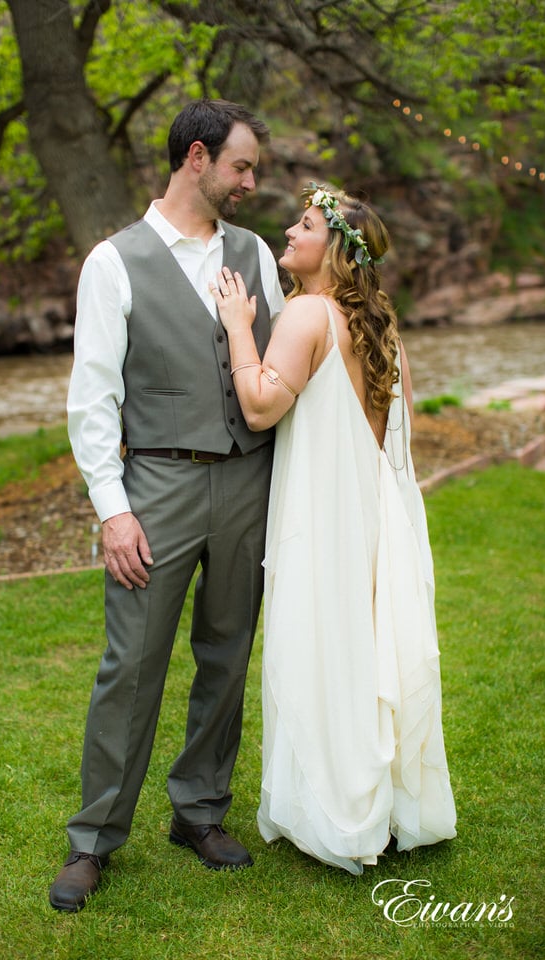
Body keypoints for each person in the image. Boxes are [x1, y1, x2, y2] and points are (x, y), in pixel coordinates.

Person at [49, 99, 286, 912]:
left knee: (227, 655)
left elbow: (279, 376)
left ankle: (200, 812)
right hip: (157, 487)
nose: (252, 181)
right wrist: (114, 511)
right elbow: (93, 401)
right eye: (241, 166)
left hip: (250, 483)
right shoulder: (114, 262)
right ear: (196, 157)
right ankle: (93, 839)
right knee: (133, 664)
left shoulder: (256, 253)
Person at [210, 183, 457, 873]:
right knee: (371, 649)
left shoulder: (307, 314)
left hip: (322, 515)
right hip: (378, 513)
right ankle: (388, 806)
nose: (289, 231)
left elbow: (260, 407)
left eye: (305, 223)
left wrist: (236, 324)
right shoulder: (385, 328)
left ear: (335, 253)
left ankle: (340, 814)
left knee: (324, 650)